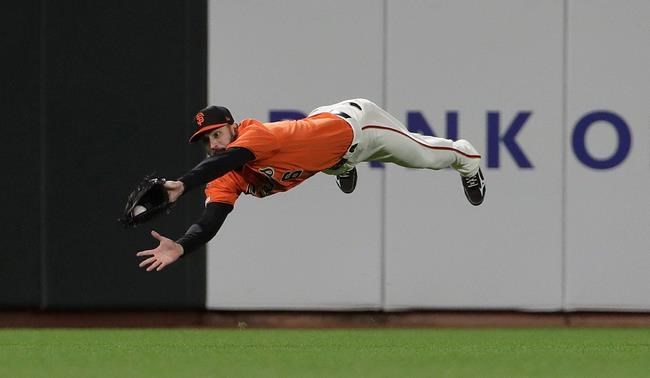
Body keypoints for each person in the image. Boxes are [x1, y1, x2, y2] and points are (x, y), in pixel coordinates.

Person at [136, 98, 486, 272]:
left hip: (358, 129)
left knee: (425, 157)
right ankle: (339, 166)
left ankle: (466, 158)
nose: (213, 144)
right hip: (327, 148)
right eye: (206, 140)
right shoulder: (225, 173)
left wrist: (181, 184)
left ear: (232, 127)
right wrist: (182, 247)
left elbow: (228, 158)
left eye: (217, 134)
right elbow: (212, 217)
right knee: (321, 159)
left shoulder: (255, 135)